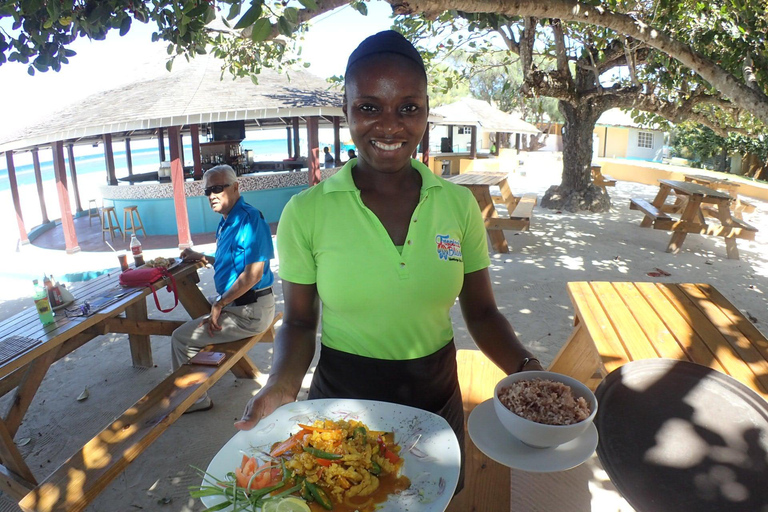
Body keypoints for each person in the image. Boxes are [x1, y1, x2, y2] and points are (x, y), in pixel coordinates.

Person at [234, 31, 542, 489]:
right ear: (347, 110)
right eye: (370, 107)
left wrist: (528, 373)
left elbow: (481, 311)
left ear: (425, 111)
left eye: (408, 108)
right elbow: (299, 322)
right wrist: (281, 383)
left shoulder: (457, 206)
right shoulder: (307, 211)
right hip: (341, 409)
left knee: (432, 499)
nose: (390, 125)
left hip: (436, 402)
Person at [172, 165, 276, 413]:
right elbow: (231, 264)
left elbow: (253, 275)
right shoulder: (226, 222)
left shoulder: (251, 219)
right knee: (200, 309)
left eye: (218, 188)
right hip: (242, 305)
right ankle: (198, 381)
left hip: (250, 311)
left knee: (180, 338)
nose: (212, 195)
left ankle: (195, 400)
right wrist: (202, 257)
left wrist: (220, 304)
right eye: (208, 190)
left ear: (236, 187)